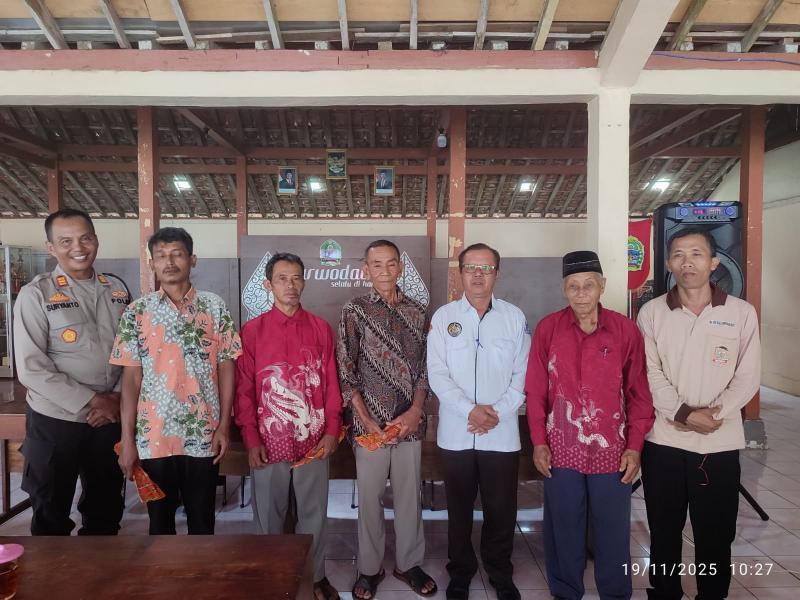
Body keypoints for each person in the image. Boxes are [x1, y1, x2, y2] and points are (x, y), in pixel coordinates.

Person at [637, 227, 761, 600]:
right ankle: (665, 592)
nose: (687, 262)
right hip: (664, 441)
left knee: (716, 533)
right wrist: (684, 413)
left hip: (718, 442)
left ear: (714, 262)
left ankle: (712, 594)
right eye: (678, 254)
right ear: (668, 263)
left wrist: (716, 412)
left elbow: (748, 375)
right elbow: (649, 372)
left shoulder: (740, 313)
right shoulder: (652, 312)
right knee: (664, 531)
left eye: (696, 254)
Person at [525, 250, 655, 600]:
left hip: (612, 450)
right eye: (573, 286)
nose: (581, 294)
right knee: (563, 526)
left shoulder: (625, 330)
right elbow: (535, 390)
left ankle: (616, 593)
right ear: (564, 289)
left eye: (589, 285)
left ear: (602, 286)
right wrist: (539, 441)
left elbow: (639, 393)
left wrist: (635, 447)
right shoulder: (549, 329)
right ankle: (566, 592)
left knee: (612, 530)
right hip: (561, 449)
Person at [112, 227, 242, 535]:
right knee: (159, 525)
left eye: (177, 254)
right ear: (152, 263)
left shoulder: (214, 307)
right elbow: (130, 380)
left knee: (202, 523)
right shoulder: (137, 312)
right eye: (161, 256)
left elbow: (227, 367)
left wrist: (224, 426)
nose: (169, 262)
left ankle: (199, 570)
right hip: (154, 436)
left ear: (192, 259)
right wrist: (128, 439)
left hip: (203, 433)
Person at [14, 208, 130, 536]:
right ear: (51, 247)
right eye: (66, 241)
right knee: (51, 512)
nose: (78, 247)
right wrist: (94, 400)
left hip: (107, 420)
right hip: (56, 420)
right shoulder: (36, 294)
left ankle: (101, 568)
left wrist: (117, 398)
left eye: (85, 238)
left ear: (96, 240)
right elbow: (31, 368)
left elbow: (134, 352)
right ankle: (53, 571)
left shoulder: (116, 289)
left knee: (105, 509)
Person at [235, 252, 342, 600]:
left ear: (304, 283)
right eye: (282, 278)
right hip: (269, 440)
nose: (290, 285)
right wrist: (251, 438)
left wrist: (332, 430)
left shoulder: (320, 328)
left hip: (313, 439)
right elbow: (244, 389)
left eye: (296, 278)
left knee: (314, 514)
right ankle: (272, 577)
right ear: (268, 284)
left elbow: (331, 383)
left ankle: (316, 577)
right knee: (269, 515)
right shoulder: (252, 331)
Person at [427, 242, 530, 600]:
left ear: (497, 274)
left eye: (486, 269)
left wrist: (496, 412)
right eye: (471, 268)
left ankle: (500, 572)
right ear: (459, 273)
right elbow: (437, 374)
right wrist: (469, 410)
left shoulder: (514, 318)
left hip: (501, 434)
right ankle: (460, 572)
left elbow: (522, 375)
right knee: (458, 511)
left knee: (501, 510)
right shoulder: (444, 318)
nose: (477, 275)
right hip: (456, 433)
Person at [337, 239, 436, 600]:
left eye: (391, 263)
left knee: (410, 499)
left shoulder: (418, 312)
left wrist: (415, 411)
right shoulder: (355, 310)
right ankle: (370, 568)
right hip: (370, 429)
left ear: (400, 268)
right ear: (366, 270)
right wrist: (366, 420)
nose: (384, 271)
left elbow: (426, 369)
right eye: (376, 264)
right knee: (370, 500)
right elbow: (346, 369)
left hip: (409, 426)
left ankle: (409, 564)